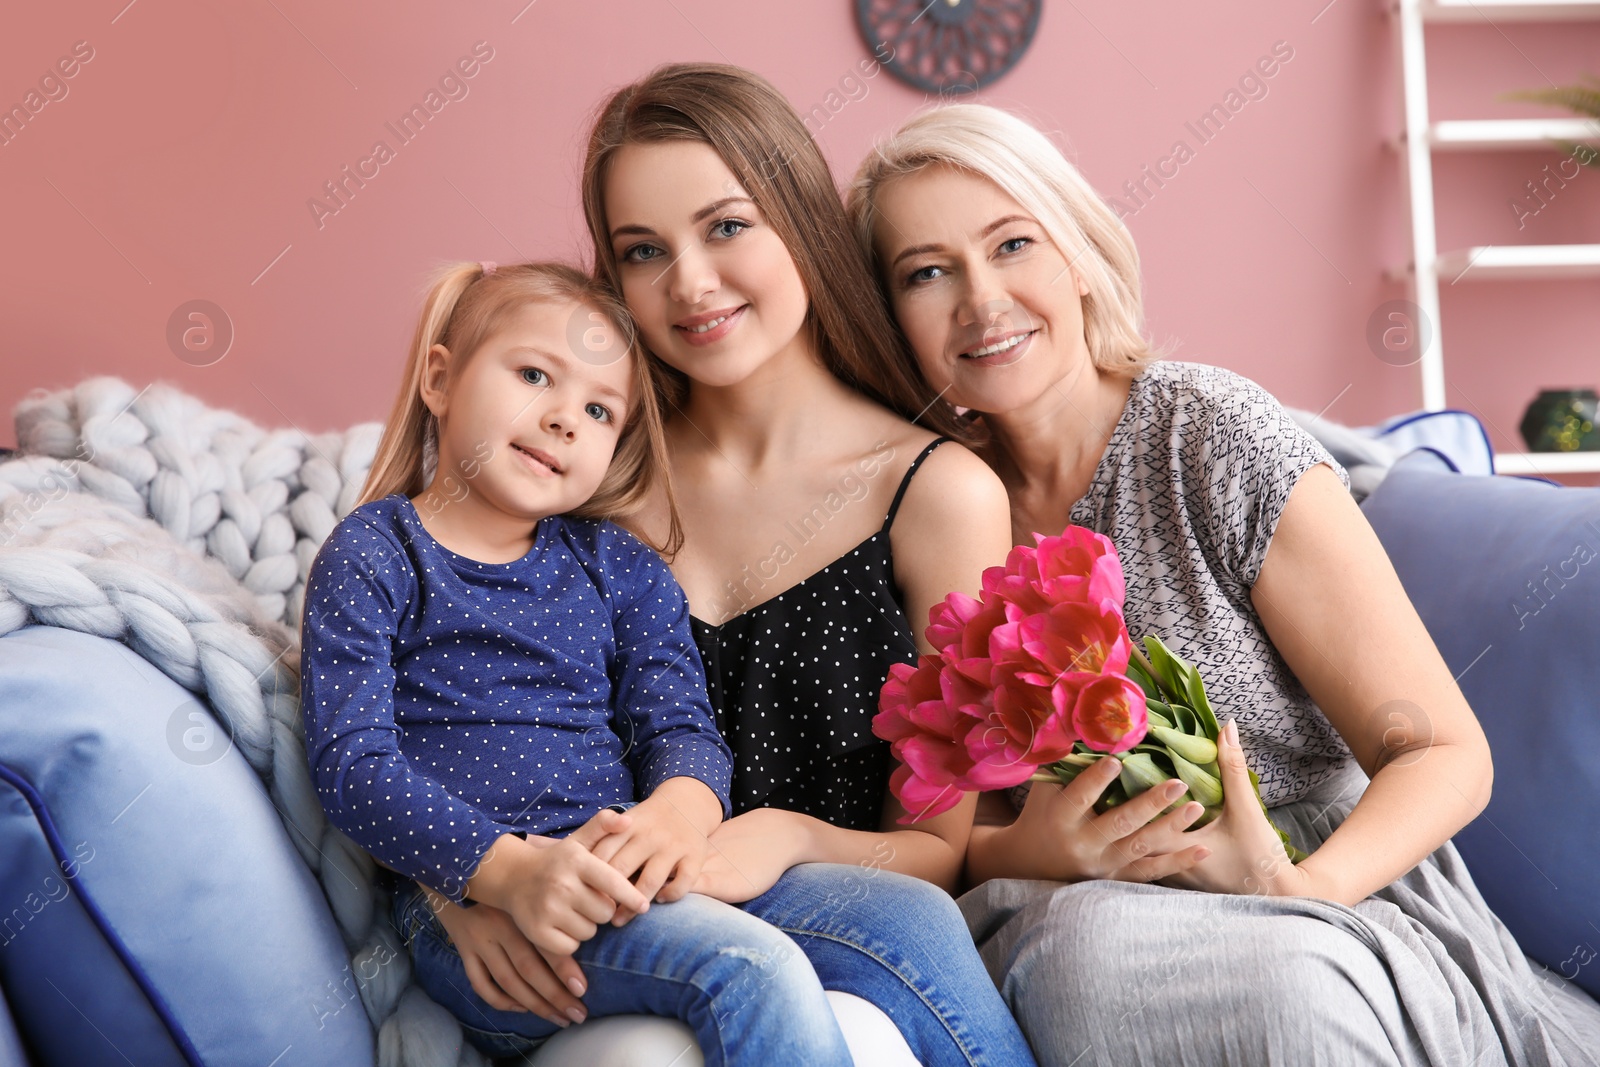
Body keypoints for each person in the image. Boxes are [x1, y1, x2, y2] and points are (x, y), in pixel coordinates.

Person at [846, 102, 1600, 1065]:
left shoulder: (1208, 436)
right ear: (892, 319)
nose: (981, 298)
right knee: (1084, 956)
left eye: (1012, 244)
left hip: (1321, 888)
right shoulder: (936, 506)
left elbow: (1446, 751)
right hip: (1067, 920)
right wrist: (1027, 852)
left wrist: (1300, 891)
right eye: (926, 272)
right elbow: (948, 830)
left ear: (1077, 256)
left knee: (1224, 984)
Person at [425, 64, 1040, 1066]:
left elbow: (937, 849)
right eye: (643, 251)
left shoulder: (938, 495)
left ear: (797, 216)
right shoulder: (581, 480)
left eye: (725, 226)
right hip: (611, 949)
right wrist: (460, 887)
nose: (692, 284)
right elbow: (425, 697)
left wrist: (789, 836)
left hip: (843, 956)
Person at [300, 259, 861, 1064]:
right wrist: (501, 873)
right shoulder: (377, 552)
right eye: (534, 374)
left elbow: (683, 726)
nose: (566, 418)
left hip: (623, 875)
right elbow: (353, 764)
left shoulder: (617, 565)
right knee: (751, 969)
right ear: (440, 378)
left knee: (913, 918)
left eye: (600, 409)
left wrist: (675, 811)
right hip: (483, 916)